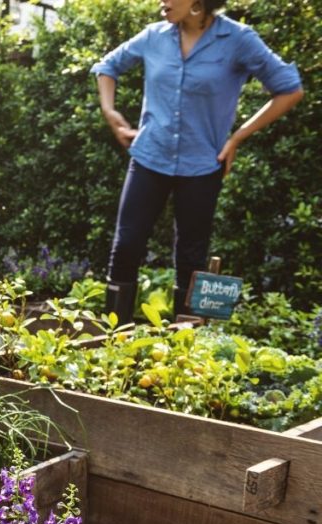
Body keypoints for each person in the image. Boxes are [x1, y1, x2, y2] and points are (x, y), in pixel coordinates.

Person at [92, 0, 303, 322]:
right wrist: (110, 111)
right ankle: (111, 342)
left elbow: (289, 88)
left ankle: (184, 350)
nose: (163, 1)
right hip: (150, 156)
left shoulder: (238, 40)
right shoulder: (154, 36)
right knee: (126, 247)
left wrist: (238, 136)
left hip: (203, 164)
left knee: (191, 257)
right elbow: (108, 67)